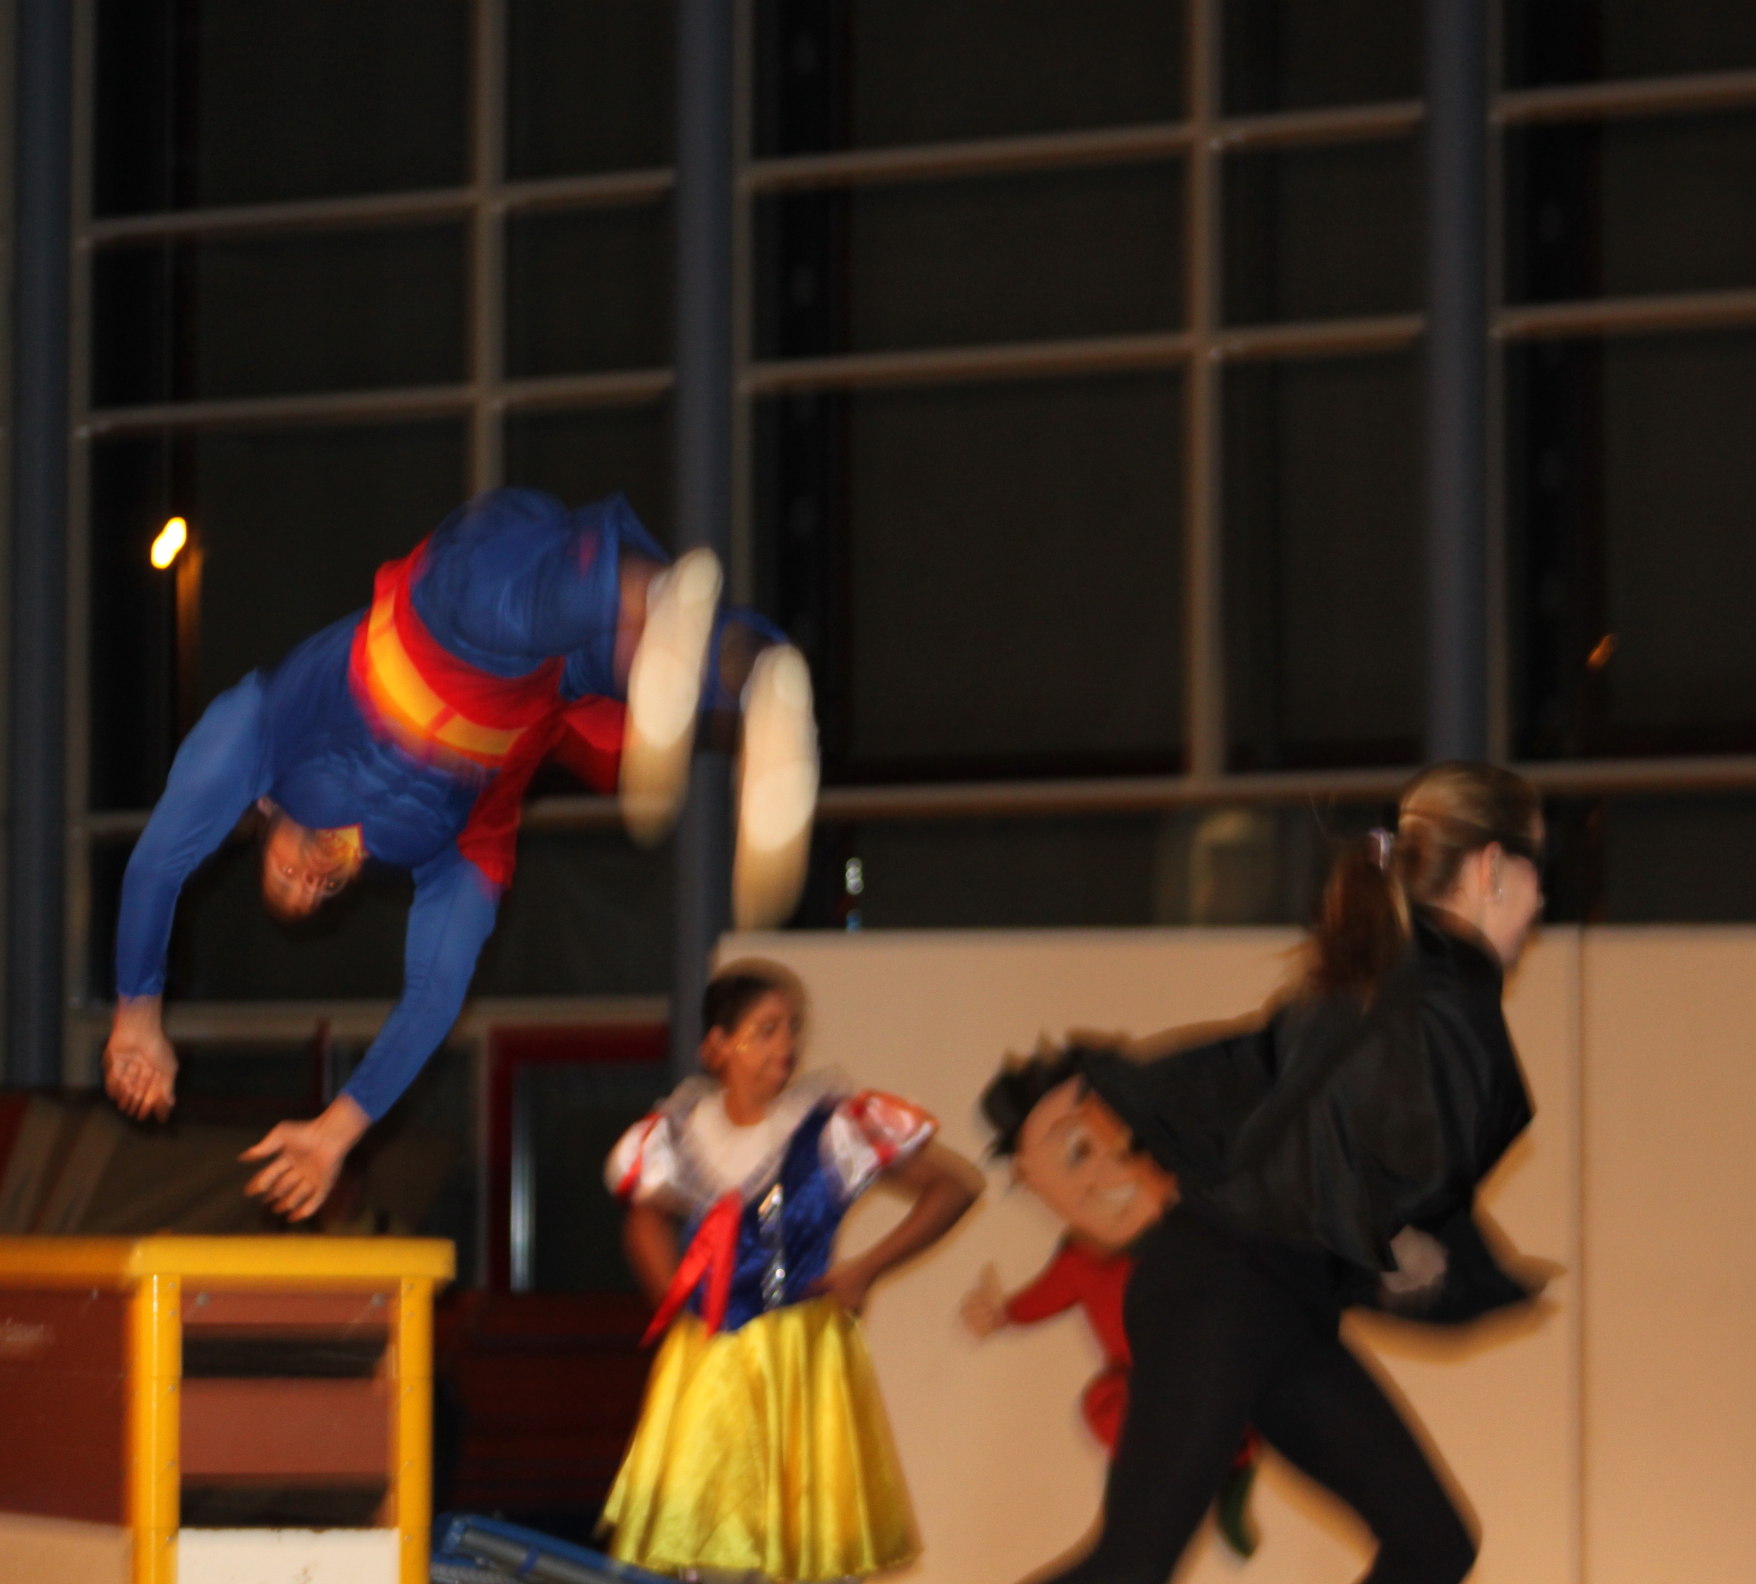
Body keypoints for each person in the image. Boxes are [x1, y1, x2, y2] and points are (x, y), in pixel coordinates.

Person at [104, 489, 818, 1221]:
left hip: (469, 588)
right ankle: (761, 675)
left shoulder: (265, 735)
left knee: (481, 608)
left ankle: (656, 597)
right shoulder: (441, 841)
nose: (309, 881)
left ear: (263, 810)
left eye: (284, 873)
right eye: (319, 895)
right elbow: (434, 995)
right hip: (553, 674)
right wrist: (335, 1132)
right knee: (643, 678)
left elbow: (161, 860)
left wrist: (138, 1013)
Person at [1011, 761, 1547, 1584]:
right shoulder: (1420, 994)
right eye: (1536, 872)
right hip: (1222, 1293)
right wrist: (1406, 1246)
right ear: (1492, 870)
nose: (1542, 902)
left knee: (1435, 1545)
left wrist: (1407, 1247)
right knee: (1129, 1566)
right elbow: (1311, 1126)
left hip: (1279, 1305)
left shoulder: (1406, 983)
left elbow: (1300, 1111)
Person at [599, 963, 981, 1583]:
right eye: (766, 1029)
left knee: (804, 1550)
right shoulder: (681, 1133)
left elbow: (955, 1187)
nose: (786, 1045)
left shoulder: (831, 1129)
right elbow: (644, 1219)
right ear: (717, 1046)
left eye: (793, 1029)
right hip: (711, 1362)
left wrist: (866, 1270)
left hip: (801, 1358)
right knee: (710, 1545)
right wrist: (676, 1299)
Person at [963, 1048, 1261, 1560]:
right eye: (1080, 1151)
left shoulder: (1195, 1235)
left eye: (1126, 1137)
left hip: (1210, 1373)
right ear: (1032, 1179)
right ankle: (1145, 1497)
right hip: (1138, 1384)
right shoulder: (1082, 1260)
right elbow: (1044, 1296)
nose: (1115, 1164)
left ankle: (1230, 1473)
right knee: (1110, 1413)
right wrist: (1003, 1313)